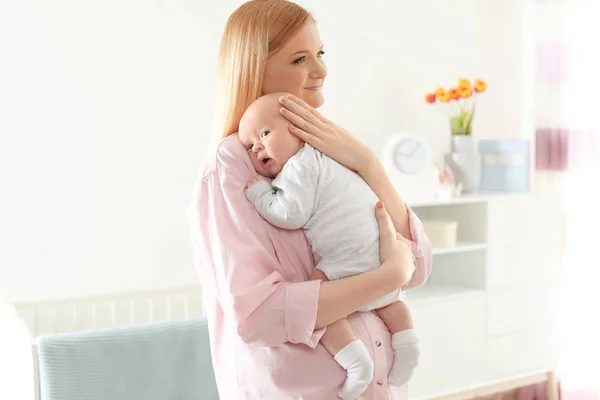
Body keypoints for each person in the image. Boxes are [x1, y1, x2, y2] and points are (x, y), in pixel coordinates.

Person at [186, 1, 433, 399]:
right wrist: (386, 279)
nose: (321, 70)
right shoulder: (233, 166)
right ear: (254, 70)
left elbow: (417, 267)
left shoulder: (327, 146)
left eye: (320, 53)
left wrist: (370, 165)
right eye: (300, 59)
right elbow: (258, 315)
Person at [240, 92, 421, 399]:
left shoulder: (301, 165)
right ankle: (408, 343)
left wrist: (260, 194)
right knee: (391, 301)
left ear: (298, 128)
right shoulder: (330, 161)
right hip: (382, 250)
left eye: (265, 134)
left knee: (316, 298)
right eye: (250, 146)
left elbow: (289, 213)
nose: (257, 148)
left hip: (350, 259)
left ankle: (355, 362)